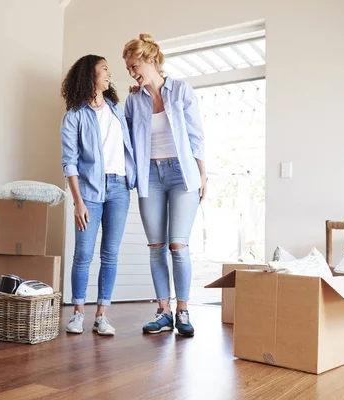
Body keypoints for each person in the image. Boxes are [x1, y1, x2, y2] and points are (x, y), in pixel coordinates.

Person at [123, 34, 206, 337]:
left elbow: (196, 137)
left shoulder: (181, 91)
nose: (132, 73)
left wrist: (203, 174)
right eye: (129, 70)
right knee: (156, 247)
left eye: (134, 67)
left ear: (149, 59)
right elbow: (127, 138)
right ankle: (163, 312)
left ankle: (183, 311)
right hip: (150, 176)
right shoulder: (134, 99)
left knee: (178, 245)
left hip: (181, 174)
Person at [60, 55, 136, 336]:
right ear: (89, 74)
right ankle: (78, 313)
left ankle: (101, 315)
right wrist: (78, 202)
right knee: (83, 254)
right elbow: (69, 162)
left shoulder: (117, 111)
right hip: (89, 191)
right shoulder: (74, 116)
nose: (109, 73)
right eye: (104, 69)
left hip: (119, 187)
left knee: (111, 254)